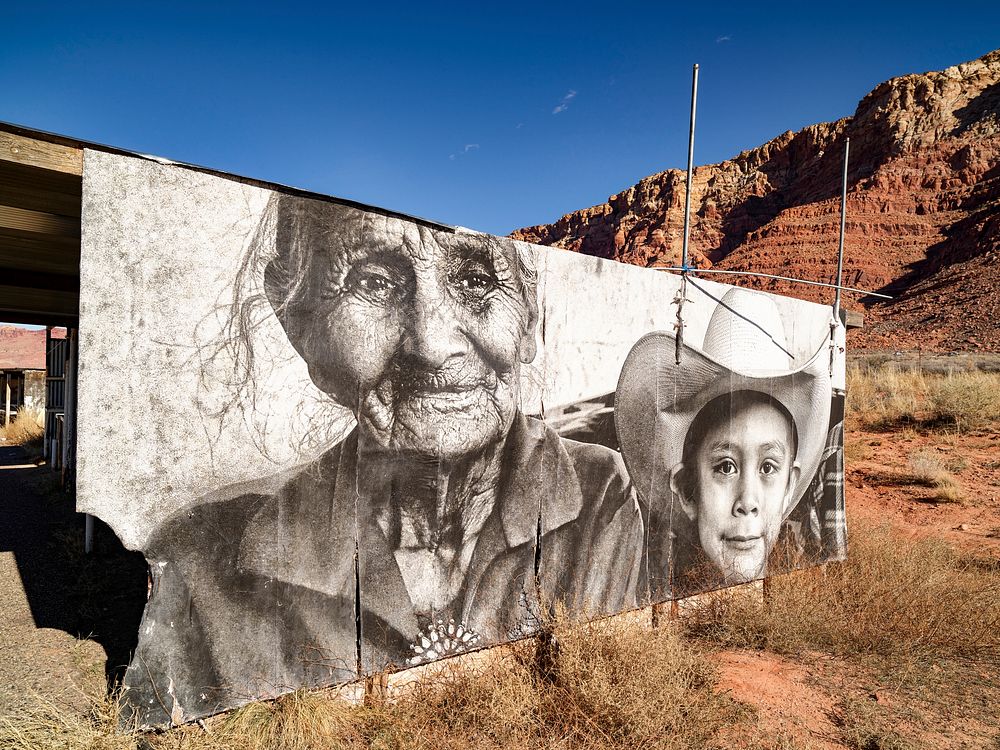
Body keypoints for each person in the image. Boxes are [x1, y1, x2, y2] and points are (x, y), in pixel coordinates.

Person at [121, 194, 643, 727]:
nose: (433, 344)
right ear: (300, 326)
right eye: (373, 283)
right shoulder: (202, 559)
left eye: (476, 281)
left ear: (529, 318)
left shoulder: (598, 496)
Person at [615, 287, 832, 599]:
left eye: (769, 467)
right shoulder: (647, 587)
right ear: (688, 489)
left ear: (789, 487)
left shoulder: (802, 590)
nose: (747, 502)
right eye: (725, 467)